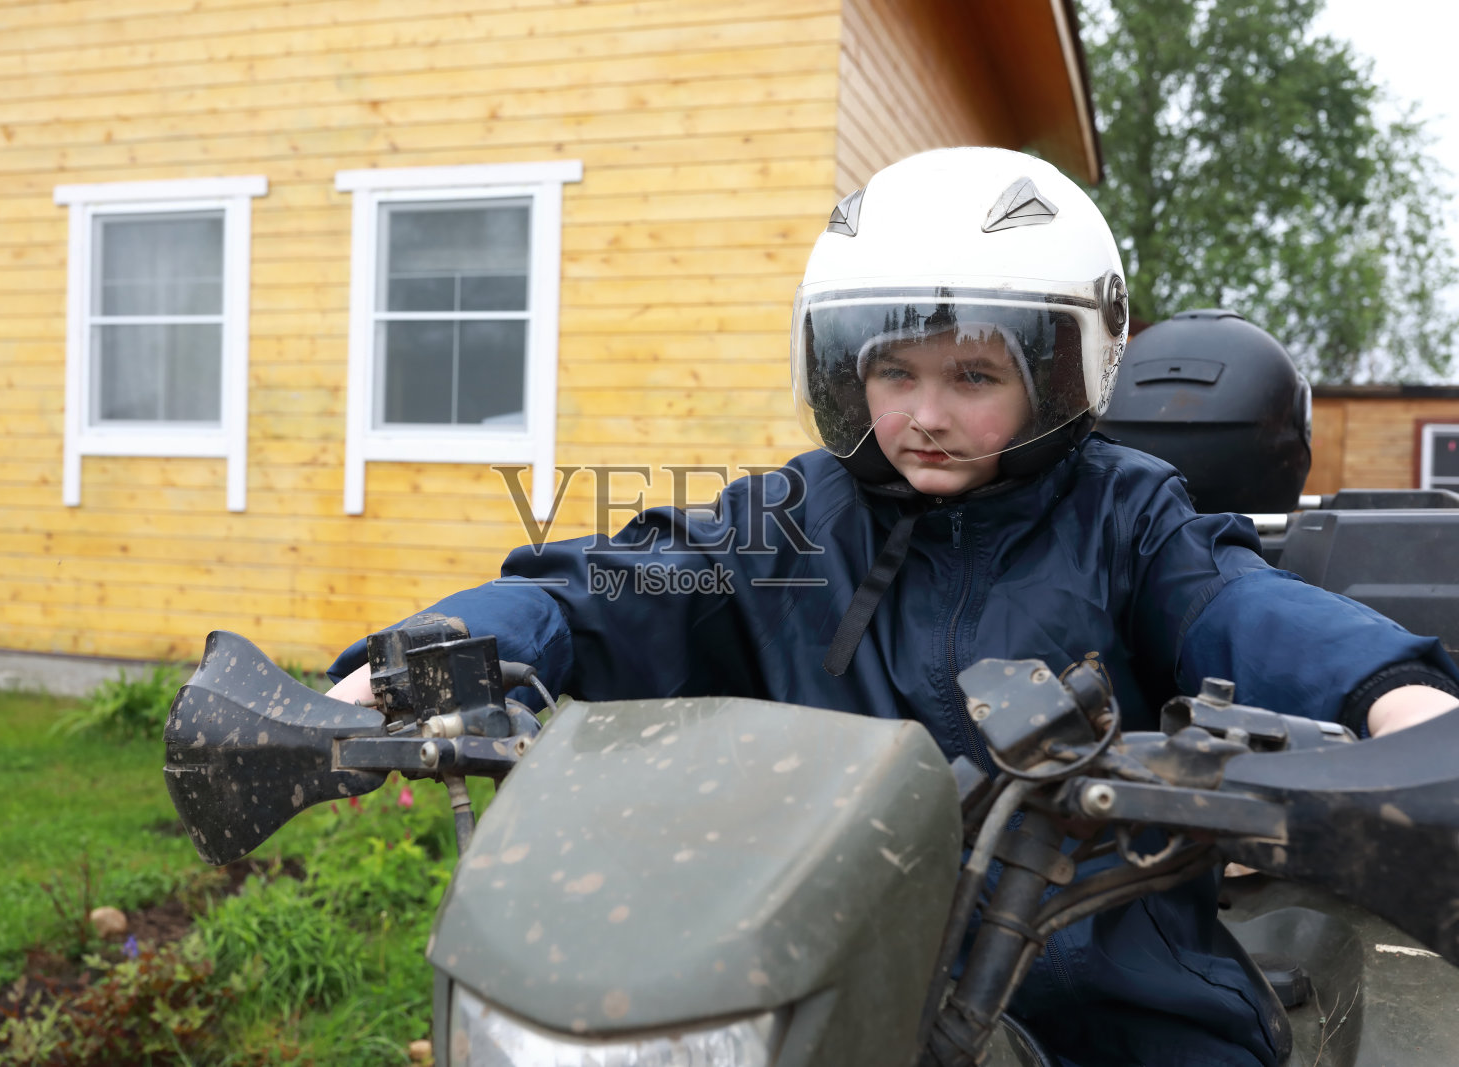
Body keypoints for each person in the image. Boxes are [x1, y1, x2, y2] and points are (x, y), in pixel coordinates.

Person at [326, 147, 1459, 1066]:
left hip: (1096, 982)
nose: (925, 413)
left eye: (974, 376)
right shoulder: (790, 517)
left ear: (1061, 373)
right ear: (843, 373)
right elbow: (607, 586)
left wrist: (1394, 697)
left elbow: (1235, 601)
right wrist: (429, 654)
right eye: (894, 372)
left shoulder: (1126, 513)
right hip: (814, 960)